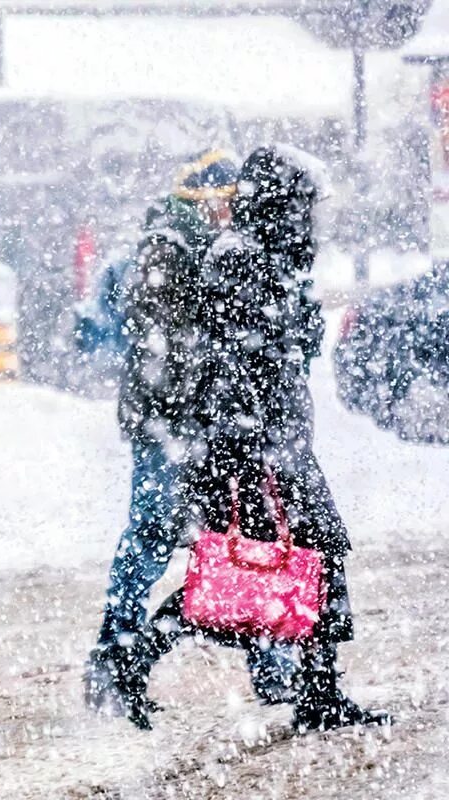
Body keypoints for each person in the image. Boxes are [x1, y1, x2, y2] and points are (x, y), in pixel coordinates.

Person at [122, 147, 390, 733]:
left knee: (298, 564)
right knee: (243, 575)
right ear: (280, 205)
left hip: (272, 443)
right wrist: (250, 453)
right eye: (303, 208)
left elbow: (281, 353)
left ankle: (319, 693)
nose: (311, 222)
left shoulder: (263, 257)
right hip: (254, 450)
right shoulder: (242, 260)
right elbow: (237, 365)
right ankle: (133, 659)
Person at [84, 150, 298, 715]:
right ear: (201, 199)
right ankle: (114, 659)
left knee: (244, 536)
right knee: (156, 536)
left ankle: (271, 664)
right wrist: (204, 393)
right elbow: (163, 345)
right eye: (225, 201)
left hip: (195, 423)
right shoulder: (170, 247)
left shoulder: (198, 247)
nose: (232, 212)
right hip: (172, 425)